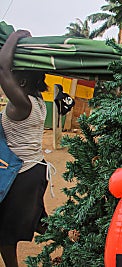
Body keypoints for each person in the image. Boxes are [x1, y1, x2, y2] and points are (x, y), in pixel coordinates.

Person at [0, 30, 49, 267]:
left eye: (14, 75)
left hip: (20, 174)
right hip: (35, 171)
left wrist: (16, 35)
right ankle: (74, 239)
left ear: (20, 83)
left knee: (5, 234)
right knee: (38, 219)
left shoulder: (22, 104)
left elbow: (1, 67)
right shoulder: (38, 101)